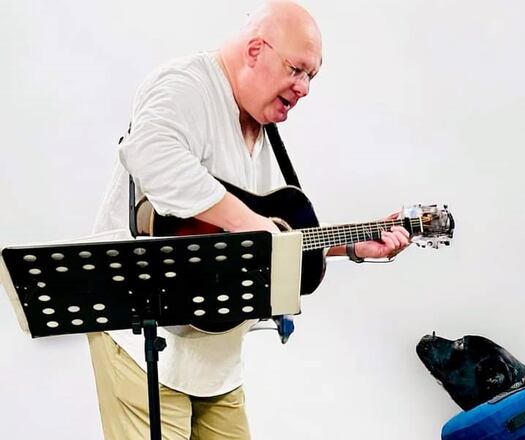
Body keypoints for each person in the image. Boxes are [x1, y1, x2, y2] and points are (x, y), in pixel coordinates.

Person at [88, 1, 411, 439]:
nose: (304, 89)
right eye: (297, 70)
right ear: (256, 50)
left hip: (216, 351)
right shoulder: (186, 85)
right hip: (142, 337)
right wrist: (249, 222)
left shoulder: (262, 128)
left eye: (311, 77)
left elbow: (269, 235)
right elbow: (151, 155)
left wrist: (350, 246)